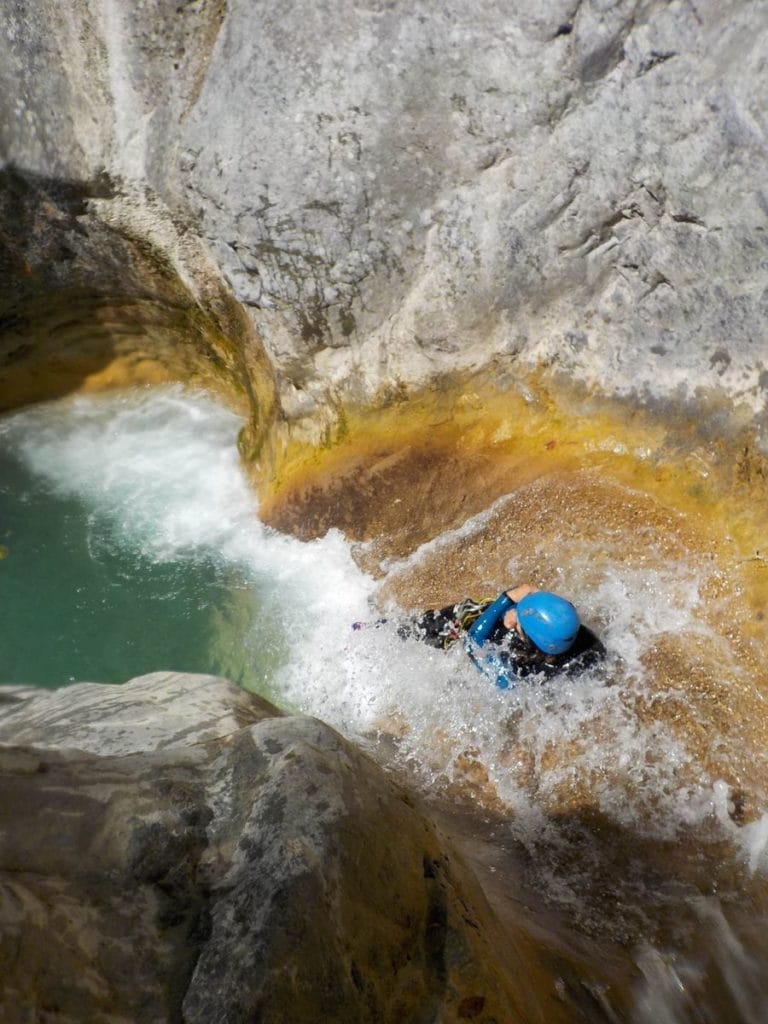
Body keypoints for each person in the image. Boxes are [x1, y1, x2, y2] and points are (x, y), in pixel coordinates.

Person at [365, 583, 605, 690]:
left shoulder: (515, 665)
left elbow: (473, 645)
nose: (512, 616)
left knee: (454, 620)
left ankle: (373, 630)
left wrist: (507, 599)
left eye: (518, 621)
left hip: (471, 653)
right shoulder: (585, 643)